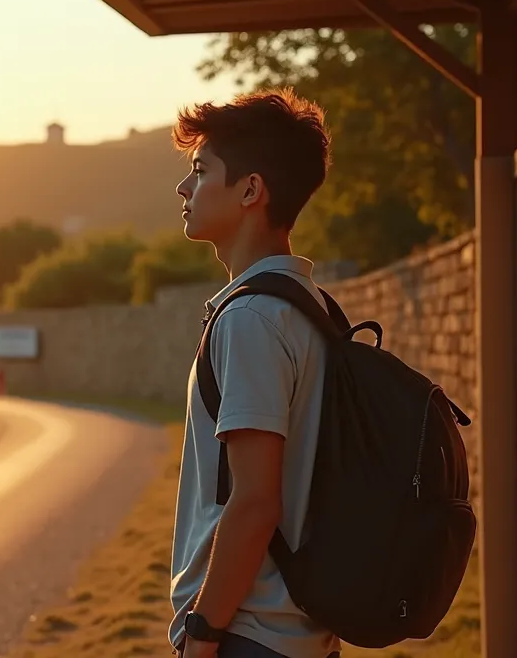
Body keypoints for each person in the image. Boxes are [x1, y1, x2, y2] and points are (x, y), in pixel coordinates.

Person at [167, 87, 342, 658]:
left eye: (200, 170)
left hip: (250, 637)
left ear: (250, 189)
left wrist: (203, 632)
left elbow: (255, 501)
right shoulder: (306, 304)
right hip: (297, 633)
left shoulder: (251, 318)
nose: (184, 188)